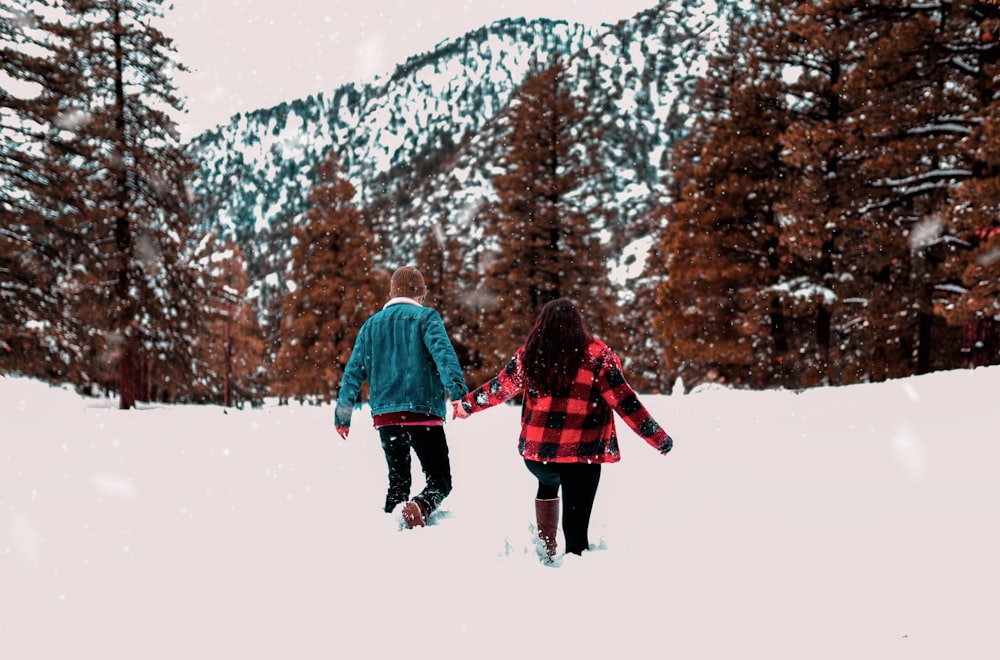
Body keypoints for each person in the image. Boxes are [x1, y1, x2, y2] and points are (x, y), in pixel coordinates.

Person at [452, 298, 672, 560]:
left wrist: (467, 406)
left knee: (548, 482)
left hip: (538, 456)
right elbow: (627, 403)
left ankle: (546, 548)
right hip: (580, 457)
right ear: (578, 324)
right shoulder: (598, 357)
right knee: (576, 517)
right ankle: (574, 559)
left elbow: (499, 389)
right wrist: (658, 439)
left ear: (541, 325)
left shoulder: (529, 355)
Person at [335, 266, 468, 529]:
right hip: (423, 413)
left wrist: (343, 414)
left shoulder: (370, 326)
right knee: (440, 479)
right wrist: (458, 393)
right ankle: (420, 506)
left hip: (387, 417)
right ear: (419, 294)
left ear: (393, 293)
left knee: (398, 482)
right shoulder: (426, 318)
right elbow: (444, 355)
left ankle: (388, 529)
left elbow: (353, 372)